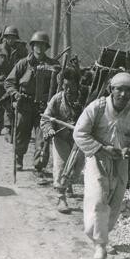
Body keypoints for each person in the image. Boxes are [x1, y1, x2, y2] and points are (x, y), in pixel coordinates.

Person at [73, 72, 130, 259]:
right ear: (111, 89)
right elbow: (80, 132)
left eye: (128, 90)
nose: (123, 94)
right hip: (97, 159)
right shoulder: (97, 107)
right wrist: (100, 148)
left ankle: (101, 234)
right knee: (98, 199)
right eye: (119, 89)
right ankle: (100, 244)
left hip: (121, 162)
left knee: (115, 202)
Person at [4, 31, 60, 173]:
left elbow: (60, 86)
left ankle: (39, 163)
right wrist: (15, 94)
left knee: (42, 136)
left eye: (42, 45)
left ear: (46, 47)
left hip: (44, 107)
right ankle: (18, 159)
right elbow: (9, 82)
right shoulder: (23, 64)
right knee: (21, 134)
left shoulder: (53, 65)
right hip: (25, 105)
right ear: (32, 46)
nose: (39, 48)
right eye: (37, 45)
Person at [40, 68, 83, 213]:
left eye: (72, 86)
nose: (68, 90)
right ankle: (61, 196)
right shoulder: (57, 99)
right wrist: (49, 129)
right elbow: (46, 118)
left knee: (77, 169)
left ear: (78, 84)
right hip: (61, 137)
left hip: (80, 140)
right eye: (65, 86)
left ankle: (69, 184)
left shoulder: (86, 98)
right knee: (61, 165)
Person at [0, 25, 28, 135]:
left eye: (13, 37)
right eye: (8, 37)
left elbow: (27, 65)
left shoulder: (21, 50)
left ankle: (9, 127)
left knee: (11, 106)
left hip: (14, 83)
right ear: (5, 38)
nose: (11, 40)